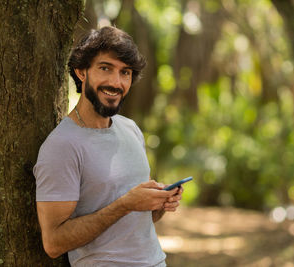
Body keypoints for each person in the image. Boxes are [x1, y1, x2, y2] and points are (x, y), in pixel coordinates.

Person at [33, 26, 184, 267]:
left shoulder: (130, 129)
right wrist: (125, 204)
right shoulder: (62, 146)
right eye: (105, 68)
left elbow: (133, 223)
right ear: (81, 72)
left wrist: (159, 204)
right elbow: (53, 243)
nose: (116, 82)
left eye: (125, 72)